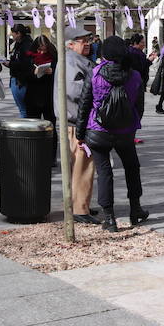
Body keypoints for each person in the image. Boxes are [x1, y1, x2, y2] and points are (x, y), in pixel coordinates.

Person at [76, 35, 148, 232]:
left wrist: (80, 133)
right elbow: (139, 106)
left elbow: (84, 104)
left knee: (104, 172)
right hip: (125, 132)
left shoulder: (96, 72)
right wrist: (132, 125)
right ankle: (136, 209)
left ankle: (109, 218)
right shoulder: (134, 76)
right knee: (132, 168)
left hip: (98, 130)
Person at [61, 26, 99, 224]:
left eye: (88, 39)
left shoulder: (74, 60)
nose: (87, 43)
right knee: (82, 165)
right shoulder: (70, 61)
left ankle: (78, 203)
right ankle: (79, 208)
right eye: (82, 40)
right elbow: (75, 91)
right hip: (76, 121)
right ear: (70, 44)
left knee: (78, 165)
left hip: (76, 120)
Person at [8, 23, 34, 118]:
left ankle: (25, 130)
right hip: (17, 79)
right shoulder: (19, 44)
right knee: (23, 109)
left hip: (21, 81)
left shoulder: (26, 45)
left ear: (18, 33)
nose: (12, 35)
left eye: (13, 33)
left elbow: (25, 63)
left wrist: (10, 64)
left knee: (24, 110)